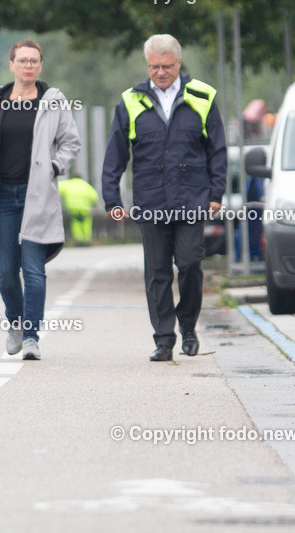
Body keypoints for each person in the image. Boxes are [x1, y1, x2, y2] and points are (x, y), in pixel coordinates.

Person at [102, 34, 227, 361]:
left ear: (178, 63)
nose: (160, 72)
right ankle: (163, 339)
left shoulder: (202, 96)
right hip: (151, 201)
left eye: (167, 66)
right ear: (147, 65)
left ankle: (188, 326)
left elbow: (218, 151)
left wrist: (217, 194)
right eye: (154, 67)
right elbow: (115, 155)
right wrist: (112, 199)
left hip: (191, 200)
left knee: (189, 264)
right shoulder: (130, 101)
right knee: (156, 272)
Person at [0, 39, 81, 361]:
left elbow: (70, 142)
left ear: (40, 66)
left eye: (34, 61)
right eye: (22, 60)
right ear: (12, 65)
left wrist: (55, 167)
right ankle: (15, 321)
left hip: (37, 196)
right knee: (5, 270)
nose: (28, 65)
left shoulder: (52, 101)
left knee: (33, 270)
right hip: (1, 196)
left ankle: (31, 336)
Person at [58, 174, 100, 246]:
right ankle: (86, 239)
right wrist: (95, 204)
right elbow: (94, 196)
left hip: (72, 208)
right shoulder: (86, 185)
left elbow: (58, 187)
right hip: (85, 208)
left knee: (75, 223)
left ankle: (78, 240)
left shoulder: (68, 184)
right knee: (86, 223)